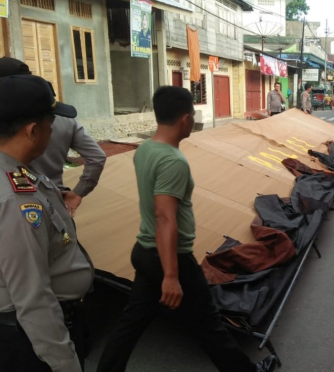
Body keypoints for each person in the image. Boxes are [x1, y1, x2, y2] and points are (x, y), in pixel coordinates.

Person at [96, 86, 277, 372]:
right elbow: (164, 217)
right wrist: (171, 275)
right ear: (184, 118)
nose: (193, 120)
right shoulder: (172, 160)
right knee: (208, 323)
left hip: (144, 250)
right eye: (193, 115)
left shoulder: (146, 149)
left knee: (131, 324)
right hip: (170, 258)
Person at [0, 74, 94, 371]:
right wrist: (65, 364)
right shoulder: (15, 200)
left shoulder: (16, 171)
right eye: (51, 124)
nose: (54, 131)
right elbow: (33, 297)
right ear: (33, 130)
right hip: (29, 343)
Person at [0, 57, 107, 217]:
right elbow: (97, 157)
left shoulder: (6, 129)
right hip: (55, 206)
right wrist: (78, 193)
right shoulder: (62, 118)